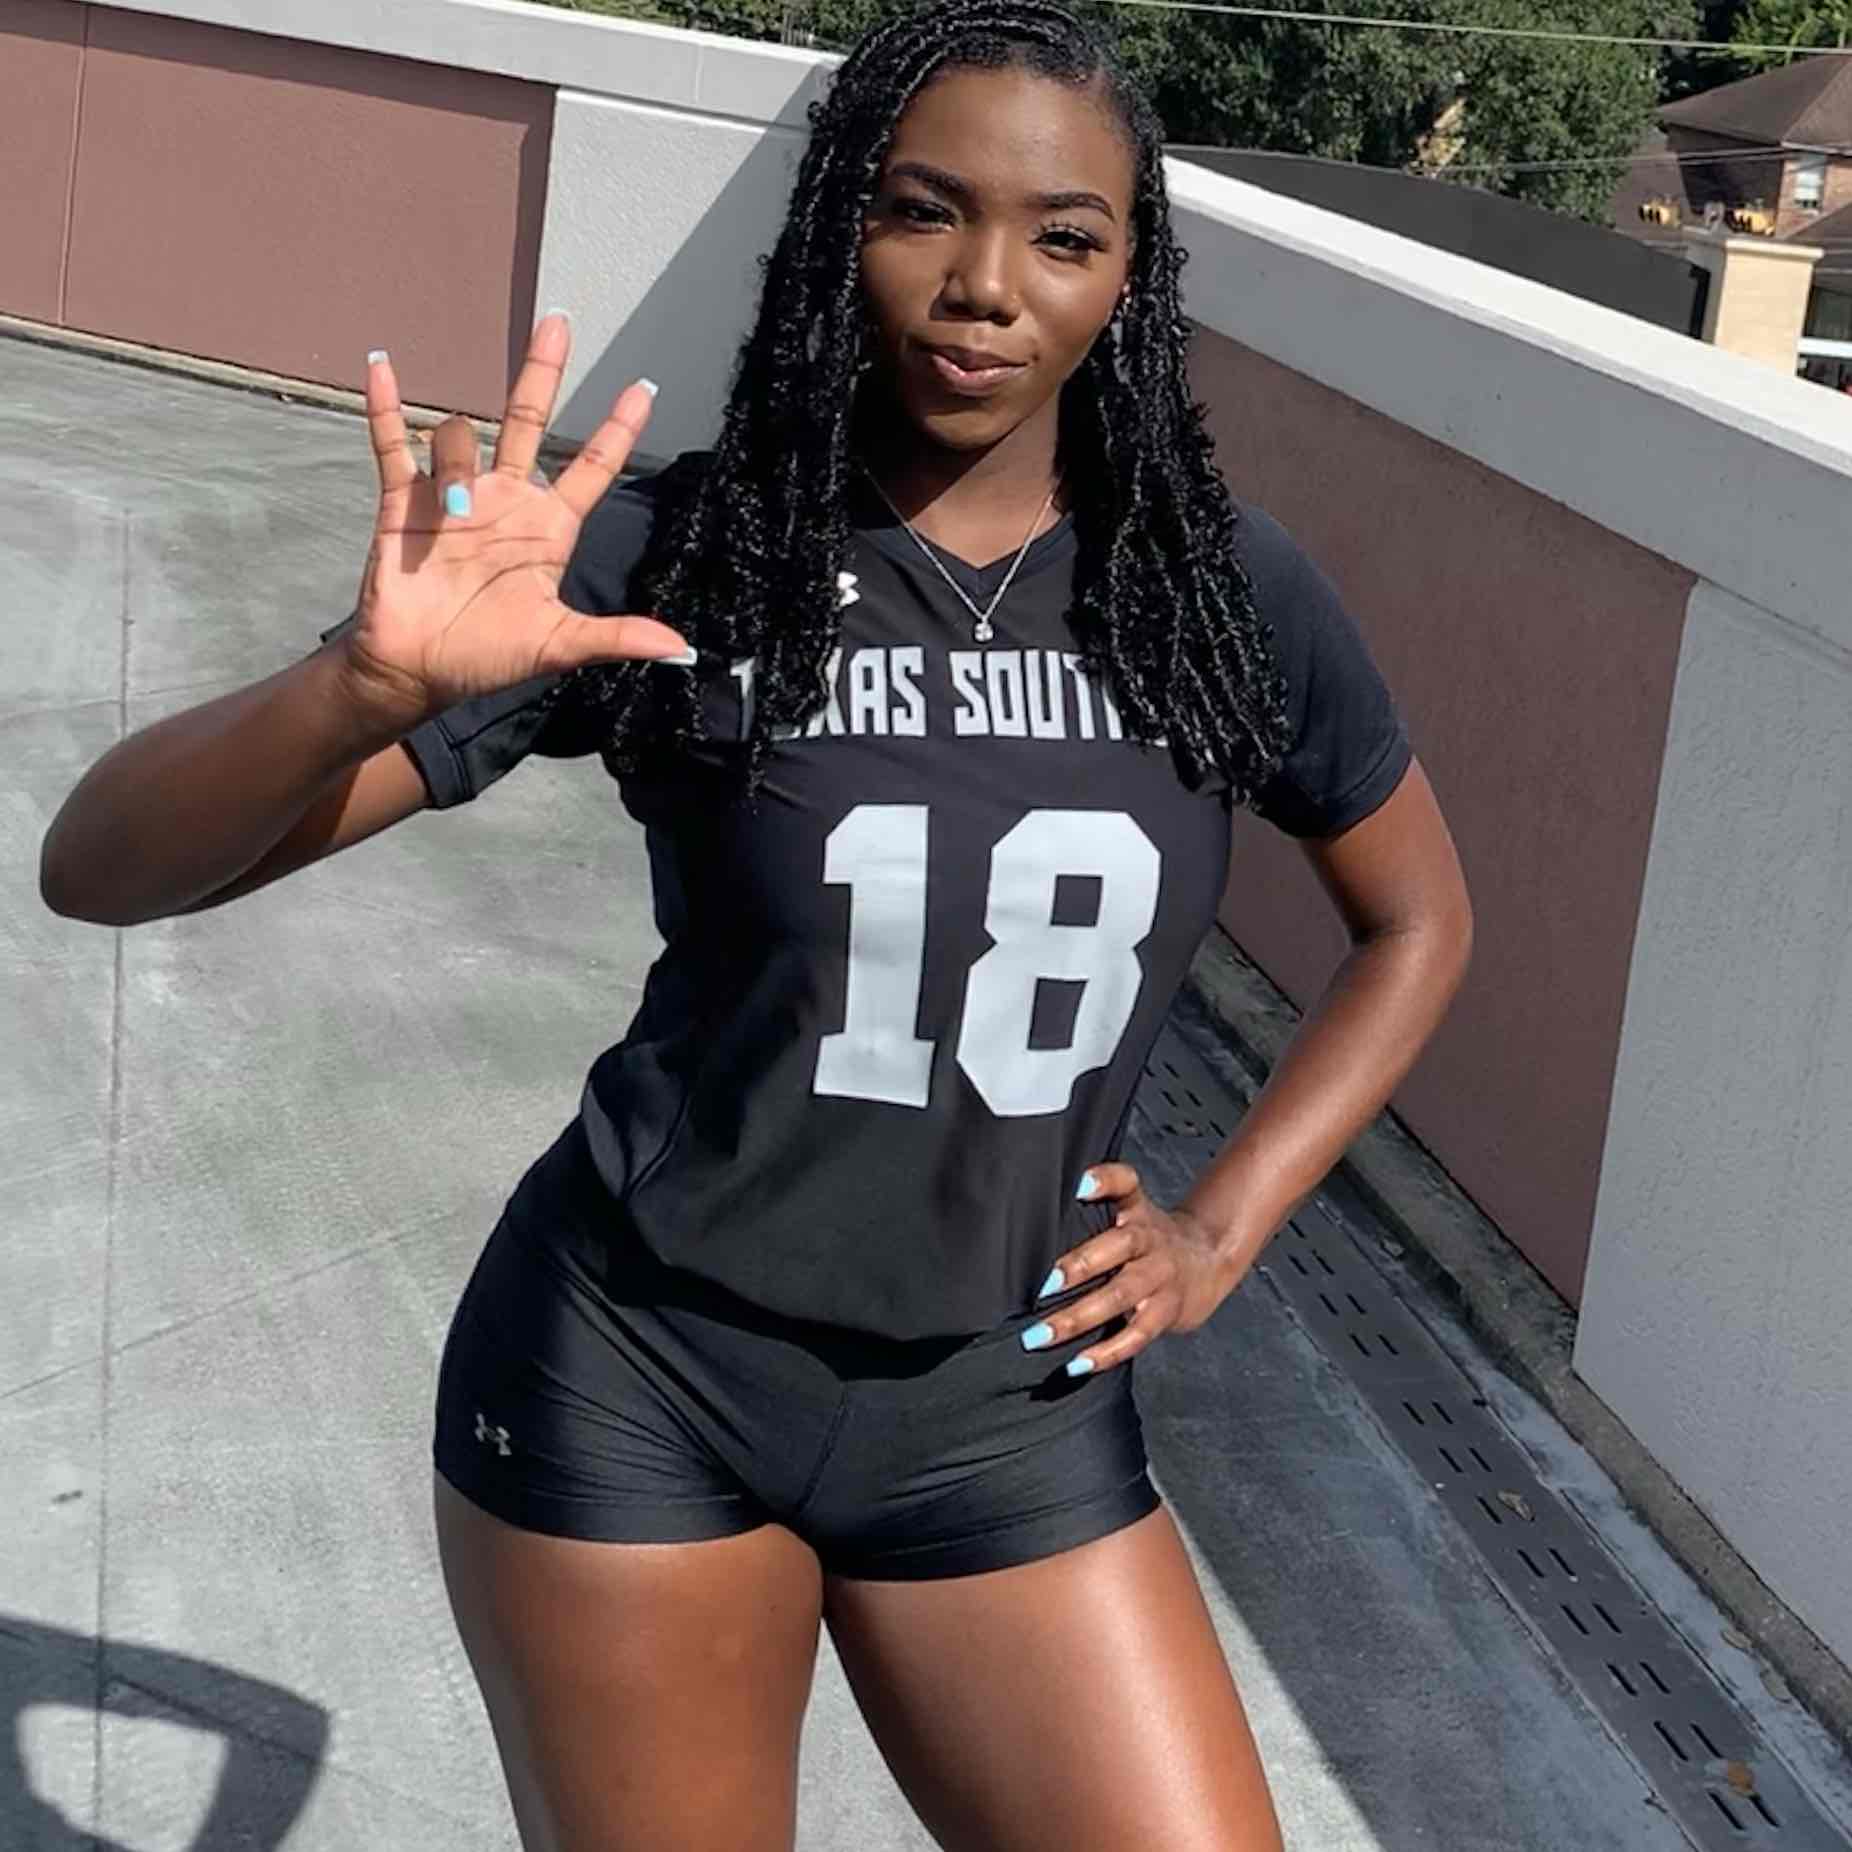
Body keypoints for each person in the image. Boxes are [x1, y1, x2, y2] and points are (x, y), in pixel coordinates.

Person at [39, 0, 1472, 1844]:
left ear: (1132, 275)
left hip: (1008, 1401)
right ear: (833, 227)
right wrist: (355, 688)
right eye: (921, 209)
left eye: (1062, 235)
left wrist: (1221, 1228)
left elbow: (1415, 925)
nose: (984, 287)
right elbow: (104, 868)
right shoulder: (692, 557)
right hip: (641, 1378)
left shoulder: (1218, 595)